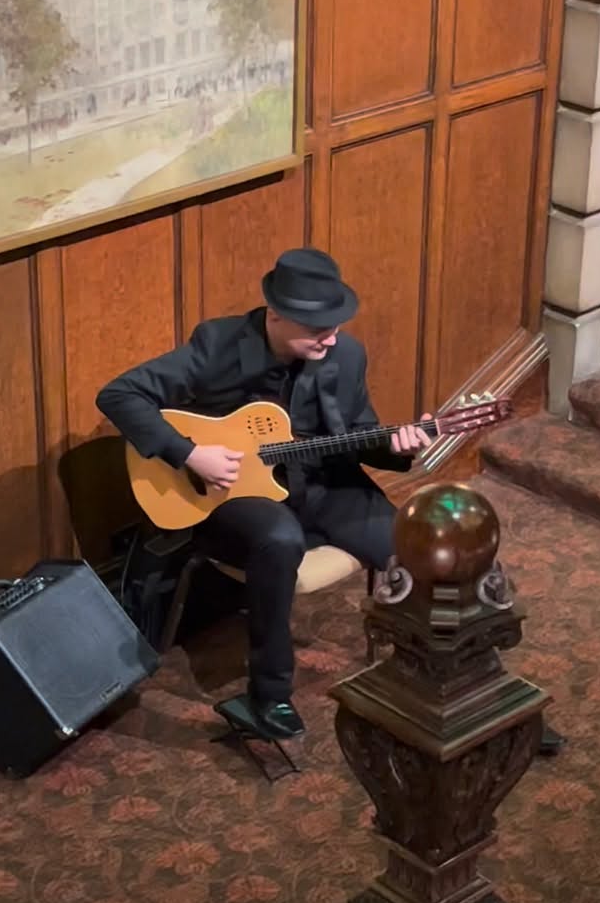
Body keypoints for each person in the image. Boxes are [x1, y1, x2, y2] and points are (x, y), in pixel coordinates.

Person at [97, 248, 432, 740]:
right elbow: (119, 395)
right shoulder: (218, 344)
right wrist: (190, 454)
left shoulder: (346, 355)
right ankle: (268, 695)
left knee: (419, 544)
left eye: (335, 326)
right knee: (279, 539)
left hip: (321, 484)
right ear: (275, 314)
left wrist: (399, 447)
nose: (331, 338)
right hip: (231, 495)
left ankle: (452, 681)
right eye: (317, 329)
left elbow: (360, 434)